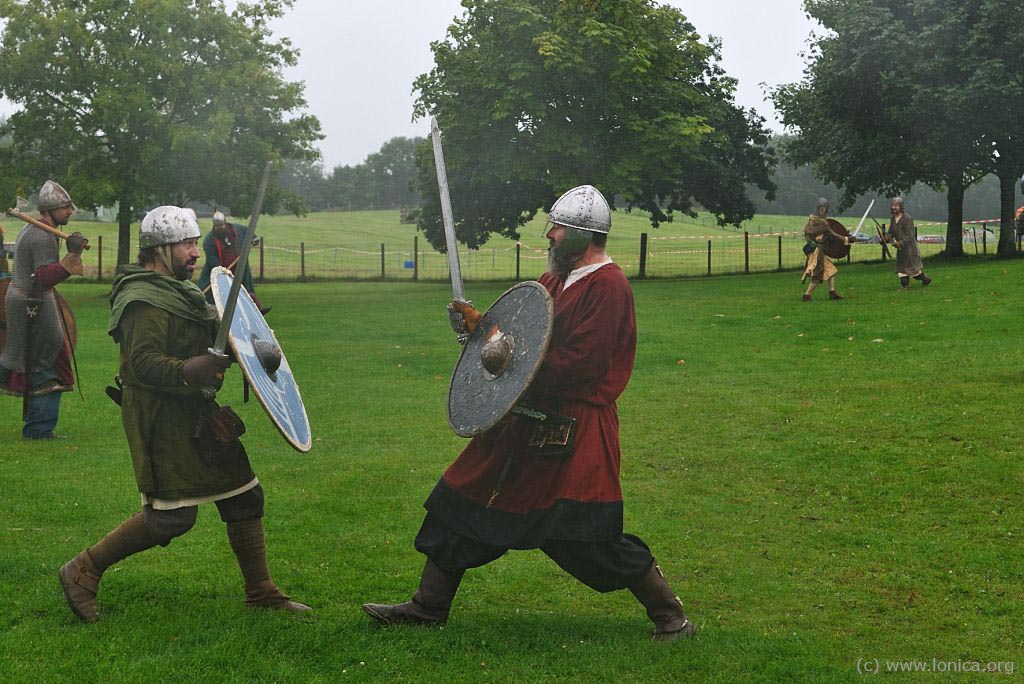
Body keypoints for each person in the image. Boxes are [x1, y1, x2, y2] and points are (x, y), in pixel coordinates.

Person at [362, 185, 695, 641]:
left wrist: (506, 358)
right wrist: (483, 332)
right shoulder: (553, 281)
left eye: (558, 229)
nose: (551, 236)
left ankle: (670, 615)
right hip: (522, 418)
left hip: (574, 428)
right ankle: (428, 606)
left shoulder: (609, 287)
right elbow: (519, 337)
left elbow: (582, 366)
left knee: (582, 533)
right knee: (461, 497)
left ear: (584, 234)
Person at [58, 206, 309, 623]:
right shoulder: (143, 300)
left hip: (195, 409)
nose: (196, 253)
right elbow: (141, 365)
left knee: (243, 494)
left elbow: (202, 339)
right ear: (160, 249)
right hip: (160, 416)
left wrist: (242, 338)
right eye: (187, 244)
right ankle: (82, 570)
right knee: (170, 518)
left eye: (196, 243)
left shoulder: (181, 290)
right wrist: (191, 368)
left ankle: (261, 590)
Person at [0, 180, 86, 439]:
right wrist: (72, 255)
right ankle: (39, 429)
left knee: (20, 358)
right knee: (48, 363)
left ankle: (40, 426)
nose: (69, 211)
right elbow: (43, 278)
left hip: (30, 300)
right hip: (32, 303)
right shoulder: (41, 235)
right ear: (49, 210)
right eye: (64, 207)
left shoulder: (40, 230)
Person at [197, 210, 268, 314]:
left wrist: (254, 240)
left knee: (246, 293)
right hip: (221, 272)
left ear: (225, 223)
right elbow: (213, 262)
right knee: (214, 296)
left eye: (221, 225)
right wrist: (223, 272)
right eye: (217, 226)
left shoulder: (237, 230)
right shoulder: (209, 241)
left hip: (240, 271)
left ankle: (254, 312)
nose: (220, 228)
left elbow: (252, 235)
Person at [801, 197, 848, 301]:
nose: (822, 211)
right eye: (821, 208)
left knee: (831, 270)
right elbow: (833, 234)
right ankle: (807, 295)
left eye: (824, 208)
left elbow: (808, 234)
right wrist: (846, 238)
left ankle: (832, 293)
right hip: (816, 252)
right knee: (817, 273)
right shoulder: (821, 223)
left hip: (816, 250)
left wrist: (813, 241)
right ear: (819, 208)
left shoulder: (812, 220)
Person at [886, 197, 931, 289]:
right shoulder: (893, 219)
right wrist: (886, 238)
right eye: (893, 205)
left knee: (913, 271)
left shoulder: (907, 218)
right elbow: (891, 233)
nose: (894, 207)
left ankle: (925, 279)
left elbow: (909, 235)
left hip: (910, 248)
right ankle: (905, 286)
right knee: (901, 268)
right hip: (901, 249)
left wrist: (900, 243)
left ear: (901, 206)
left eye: (896, 205)